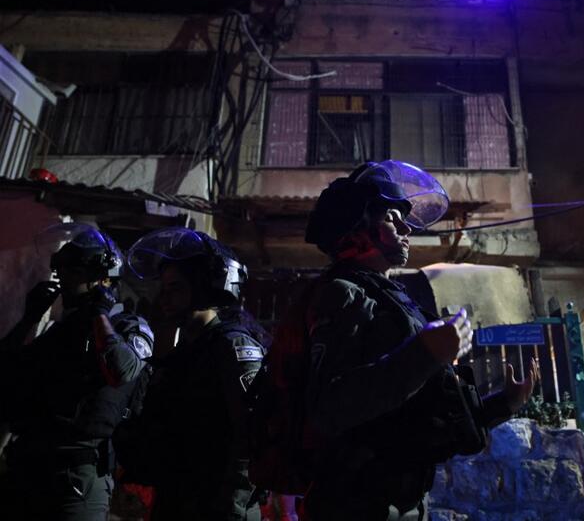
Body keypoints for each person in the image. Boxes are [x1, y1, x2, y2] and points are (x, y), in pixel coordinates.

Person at [300, 160, 537, 521]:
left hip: (402, 502)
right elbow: (329, 408)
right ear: (361, 225)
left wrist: (503, 404)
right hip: (353, 504)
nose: (406, 228)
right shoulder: (341, 293)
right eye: (394, 219)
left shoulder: (392, 298)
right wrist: (425, 352)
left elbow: (424, 418)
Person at [0, 223, 154, 521]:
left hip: (76, 478)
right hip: (28, 467)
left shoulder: (128, 327)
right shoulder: (58, 332)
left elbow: (122, 370)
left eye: (74, 273)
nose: (64, 282)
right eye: (62, 272)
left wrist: (99, 313)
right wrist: (26, 321)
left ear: (104, 281)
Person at [116, 227, 265, 520]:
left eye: (176, 287)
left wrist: (232, 505)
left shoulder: (231, 346)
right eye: (164, 288)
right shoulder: (184, 352)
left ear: (205, 287)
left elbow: (252, 434)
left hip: (217, 506)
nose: (164, 297)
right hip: (179, 498)